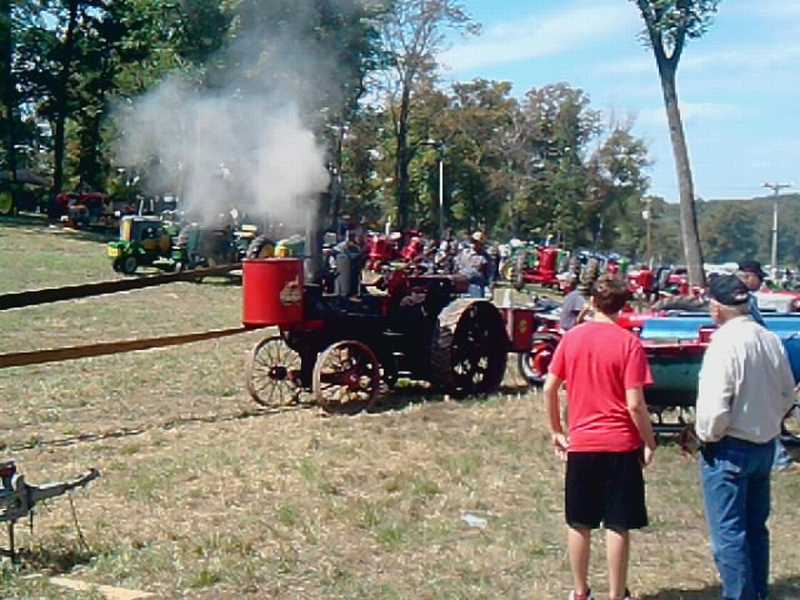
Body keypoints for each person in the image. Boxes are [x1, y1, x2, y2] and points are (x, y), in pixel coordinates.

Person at [544, 275, 657, 600]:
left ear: (592, 302)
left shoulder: (572, 338)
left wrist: (556, 430)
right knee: (618, 524)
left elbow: (550, 387)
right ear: (624, 306)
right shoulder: (629, 343)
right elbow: (635, 403)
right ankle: (617, 594)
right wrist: (649, 441)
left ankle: (580, 591)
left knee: (580, 522)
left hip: (582, 442)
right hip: (620, 444)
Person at [695, 274, 796, 600]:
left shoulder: (724, 344)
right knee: (755, 529)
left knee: (729, 533)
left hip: (729, 446)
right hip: (763, 445)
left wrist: (706, 436)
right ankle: (757, 592)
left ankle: (739, 595)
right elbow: (787, 393)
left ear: (716, 307)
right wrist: (770, 421)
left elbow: (714, 408)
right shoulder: (770, 339)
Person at [737, 260, 794, 471]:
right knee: (762, 404)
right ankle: (778, 458)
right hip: (750, 358)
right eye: (758, 278)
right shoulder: (741, 301)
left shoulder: (746, 299)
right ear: (747, 277)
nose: (761, 283)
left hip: (750, 356)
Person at [456, 231, 490, 298]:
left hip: (476, 285)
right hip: (462, 284)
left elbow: (489, 272)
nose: (474, 244)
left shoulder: (485, 257)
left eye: (476, 242)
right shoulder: (464, 253)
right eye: (473, 241)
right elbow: (457, 265)